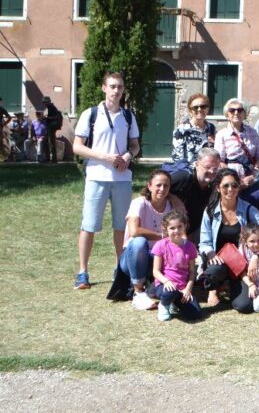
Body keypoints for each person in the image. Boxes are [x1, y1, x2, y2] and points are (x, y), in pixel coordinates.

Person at [72, 72, 141, 290]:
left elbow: (135, 145)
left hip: (122, 179)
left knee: (122, 227)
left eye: (119, 87)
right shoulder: (90, 114)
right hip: (96, 177)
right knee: (89, 226)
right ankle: (82, 272)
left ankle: (120, 269)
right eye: (112, 86)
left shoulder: (128, 116)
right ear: (104, 88)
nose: (116, 90)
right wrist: (106, 157)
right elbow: (77, 146)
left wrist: (128, 157)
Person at [198, 169, 259, 313]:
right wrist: (210, 254)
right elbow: (204, 242)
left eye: (234, 185)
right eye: (226, 186)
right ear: (218, 188)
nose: (231, 189)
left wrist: (257, 255)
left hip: (243, 265)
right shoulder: (209, 211)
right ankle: (215, 289)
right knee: (213, 273)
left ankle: (232, 286)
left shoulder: (248, 209)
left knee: (245, 306)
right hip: (219, 262)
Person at [119, 169, 186, 310]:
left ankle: (160, 289)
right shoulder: (139, 203)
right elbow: (134, 231)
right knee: (139, 241)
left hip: (159, 259)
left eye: (166, 186)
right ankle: (138, 292)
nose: (162, 189)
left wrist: (179, 205)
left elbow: (182, 230)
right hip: (134, 257)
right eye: (158, 185)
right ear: (149, 186)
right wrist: (162, 236)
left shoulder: (172, 205)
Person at [151, 211, 201, 322]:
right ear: (165, 229)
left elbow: (192, 272)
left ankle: (174, 303)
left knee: (195, 314)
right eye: (172, 228)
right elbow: (155, 271)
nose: (176, 231)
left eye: (179, 227)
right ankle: (164, 306)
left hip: (182, 288)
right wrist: (166, 282)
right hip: (165, 286)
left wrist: (188, 289)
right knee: (170, 291)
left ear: (185, 226)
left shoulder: (190, 246)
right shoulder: (160, 245)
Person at [170, 148, 222, 242]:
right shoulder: (183, 178)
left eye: (215, 169)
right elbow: (153, 189)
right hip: (172, 231)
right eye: (207, 167)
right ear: (197, 165)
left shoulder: (215, 186)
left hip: (196, 233)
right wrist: (173, 198)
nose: (211, 172)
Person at [214, 98, 259, 186]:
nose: (236, 113)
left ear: (245, 114)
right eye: (232, 110)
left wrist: (253, 175)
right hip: (230, 181)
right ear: (227, 115)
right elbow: (219, 161)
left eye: (240, 110)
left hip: (251, 180)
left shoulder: (253, 132)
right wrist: (235, 178)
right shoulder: (221, 135)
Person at [171, 93, 216, 167]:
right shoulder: (181, 131)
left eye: (203, 106)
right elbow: (178, 160)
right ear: (190, 110)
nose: (199, 109)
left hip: (210, 170)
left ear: (207, 109)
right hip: (190, 170)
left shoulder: (211, 128)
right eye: (195, 107)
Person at [42, 96, 61, 163]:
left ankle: (52, 159)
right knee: (49, 142)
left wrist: (46, 118)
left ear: (48, 102)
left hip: (51, 127)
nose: (44, 104)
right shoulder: (51, 107)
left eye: (45, 102)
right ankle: (51, 159)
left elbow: (55, 117)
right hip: (51, 127)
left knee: (50, 142)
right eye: (44, 102)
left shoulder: (51, 107)